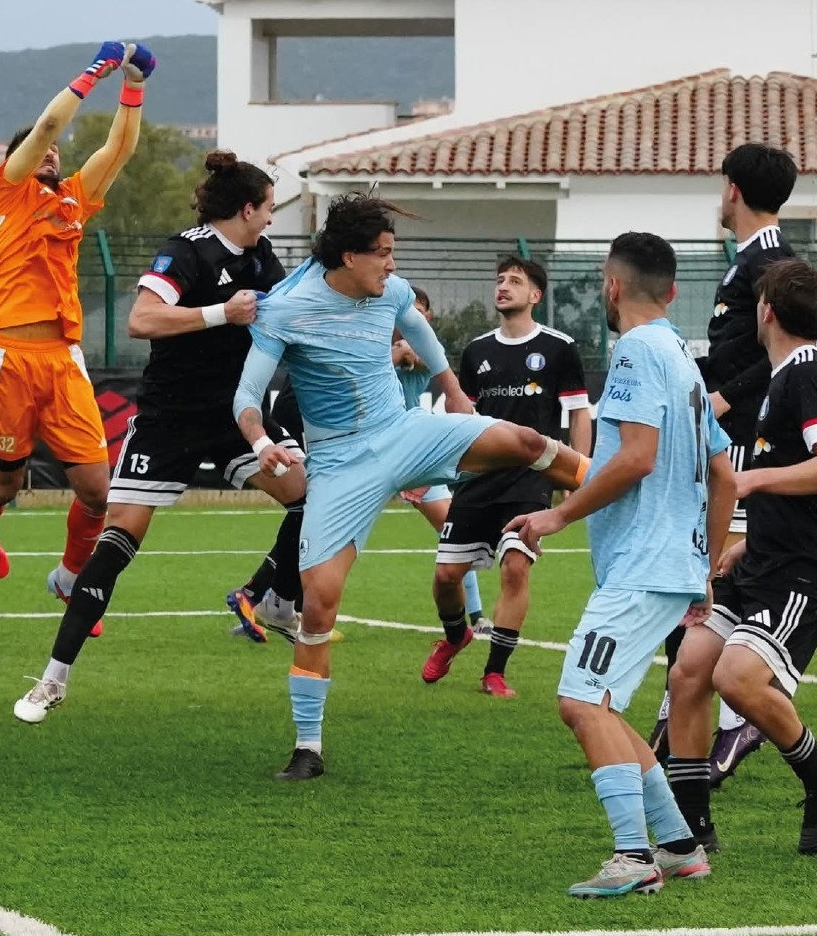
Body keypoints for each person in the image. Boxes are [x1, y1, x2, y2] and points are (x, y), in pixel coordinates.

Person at [232, 194, 590, 783]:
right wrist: (259, 439)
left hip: (402, 432)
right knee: (318, 602)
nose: (393, 266)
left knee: (526, 442)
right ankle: (308, 748)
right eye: (383, 254)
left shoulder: (390, 290)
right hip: (340, 465)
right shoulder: (288, 310)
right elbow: (247, 396)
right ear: (349, 257)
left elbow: (418, 328)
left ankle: (609, 482)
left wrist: (453, 390)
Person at [13, 151, 307, 723]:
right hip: (170, 419)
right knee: (118, 541)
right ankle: (52, 680)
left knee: (311, 499)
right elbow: (141, 320)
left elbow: (287, 311)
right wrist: (221, 313)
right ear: (247, 209)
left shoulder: (261, 254)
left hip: (236, 414)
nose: (273, 217)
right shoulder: (187, 250)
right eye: (270, 207)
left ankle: (274, 599)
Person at [507, 233, 736, 898]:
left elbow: (636, 456)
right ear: (672, 291)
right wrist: (704, 564)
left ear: (612, 286)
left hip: (643, 564)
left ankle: (633, 856)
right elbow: (724, 475)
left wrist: (557, 516)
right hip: (669, 565)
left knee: (581, 700)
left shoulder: (635, 351)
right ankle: (678, 846)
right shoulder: (684, 359)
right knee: (598, 702)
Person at [665, 259, 817, 856]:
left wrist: (751, 482)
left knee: (735, 679)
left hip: (802, 573)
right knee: (688, 669)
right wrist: (747, 543)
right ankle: (692, 824)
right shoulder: (781, 379)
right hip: (761, 561)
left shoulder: (810, 375)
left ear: (765, 311)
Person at [0, 41, 154, 620]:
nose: (51, 151)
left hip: (62, 358)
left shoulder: (72, 198)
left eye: (55, 152)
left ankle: (70, 578)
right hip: (7, 357)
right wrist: (98, 69)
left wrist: (135, 83)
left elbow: (119, 149)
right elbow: (49, 122)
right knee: (6, 484)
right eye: (41, 149)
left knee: (97, 490)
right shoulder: (6, 192)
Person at [651, 142, 798, 784]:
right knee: (699, 575)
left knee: (721, 578)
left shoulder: (771, 263)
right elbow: (734, 351)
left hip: (741, 443)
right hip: (722, 436)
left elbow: (779, 354)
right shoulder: (749, 260)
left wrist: (723, 398)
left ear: (733, 189)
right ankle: (677, 713)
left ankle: (739, 720)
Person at [424, 256, 592, 697]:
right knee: (446, 577)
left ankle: (494, 672)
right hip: (478, 477)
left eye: (515, 281)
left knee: (516, 567)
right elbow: (461, 417)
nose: (503, 286)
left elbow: (578, 413)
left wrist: (578, 471)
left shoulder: (559, 347)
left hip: (530, 479)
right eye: (500, 280)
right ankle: (456, 636)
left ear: (535, 295)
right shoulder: (477, 351)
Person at [392, 286, 484, 634]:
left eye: (419, 313)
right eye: (406, 313)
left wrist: (407, 354)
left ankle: (476, 617)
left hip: (413, 452)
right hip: (370, 452)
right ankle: (279, 601)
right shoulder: (374, 346)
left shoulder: (427, 351)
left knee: (453, 530)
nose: (413, 320)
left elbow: (430, 363)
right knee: (332, 533)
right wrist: (395, 354)